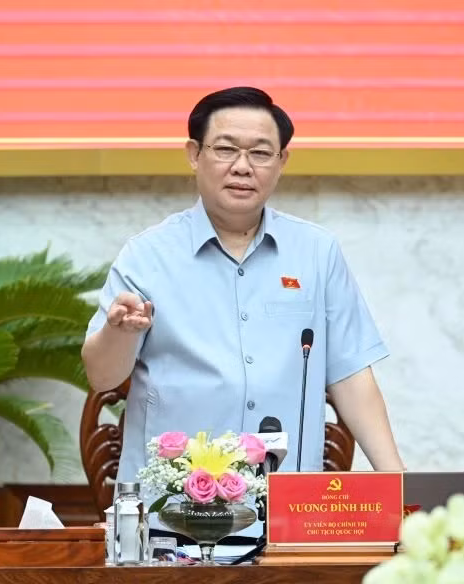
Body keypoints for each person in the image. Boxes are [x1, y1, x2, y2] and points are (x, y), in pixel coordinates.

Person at [81, 87, 404, 495]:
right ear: (194, 154)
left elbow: (352, 375)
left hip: (290, 504)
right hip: (175, 505)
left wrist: (399, 485)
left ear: (282, 161)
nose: (242, 167)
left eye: (260, 153)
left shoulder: (317, 252)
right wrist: (119, 334)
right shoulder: (147, 255)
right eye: (226, 149)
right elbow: (102, 375)